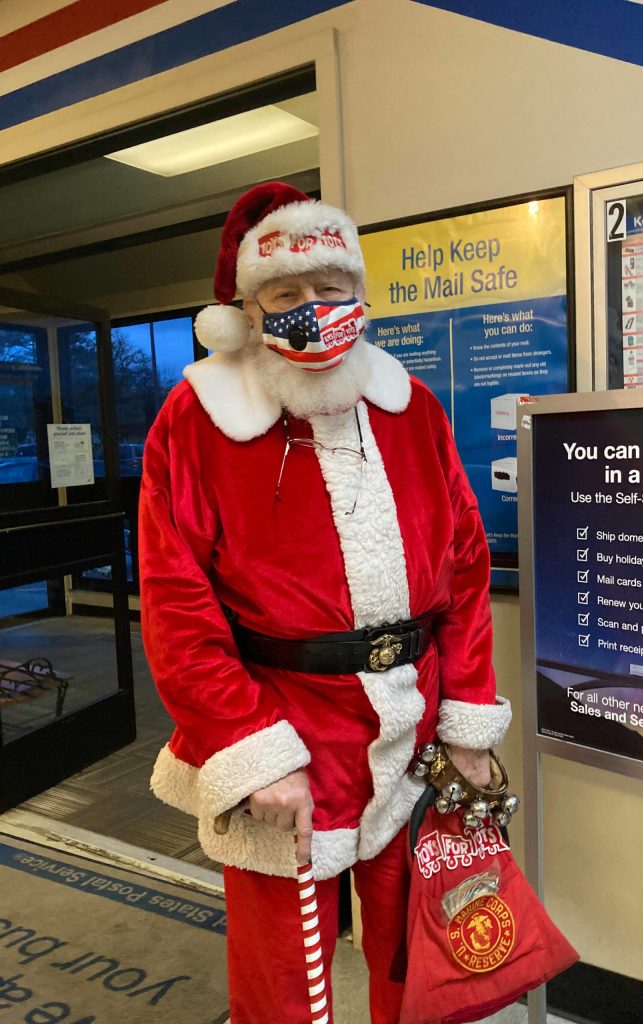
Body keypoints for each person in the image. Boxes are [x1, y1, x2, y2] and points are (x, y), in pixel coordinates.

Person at [139, 181, 511, 1024]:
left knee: (425, 959)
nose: (314, 307)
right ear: (248, 308)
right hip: (282, 727)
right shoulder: (196, 420)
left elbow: (464, 570)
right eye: (287, 293)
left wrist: (469, 723)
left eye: (330, 289)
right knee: (284, 984)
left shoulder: (410, 406)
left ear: (361, 295)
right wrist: (251, 749)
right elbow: (175, 603)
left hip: (411, 726)